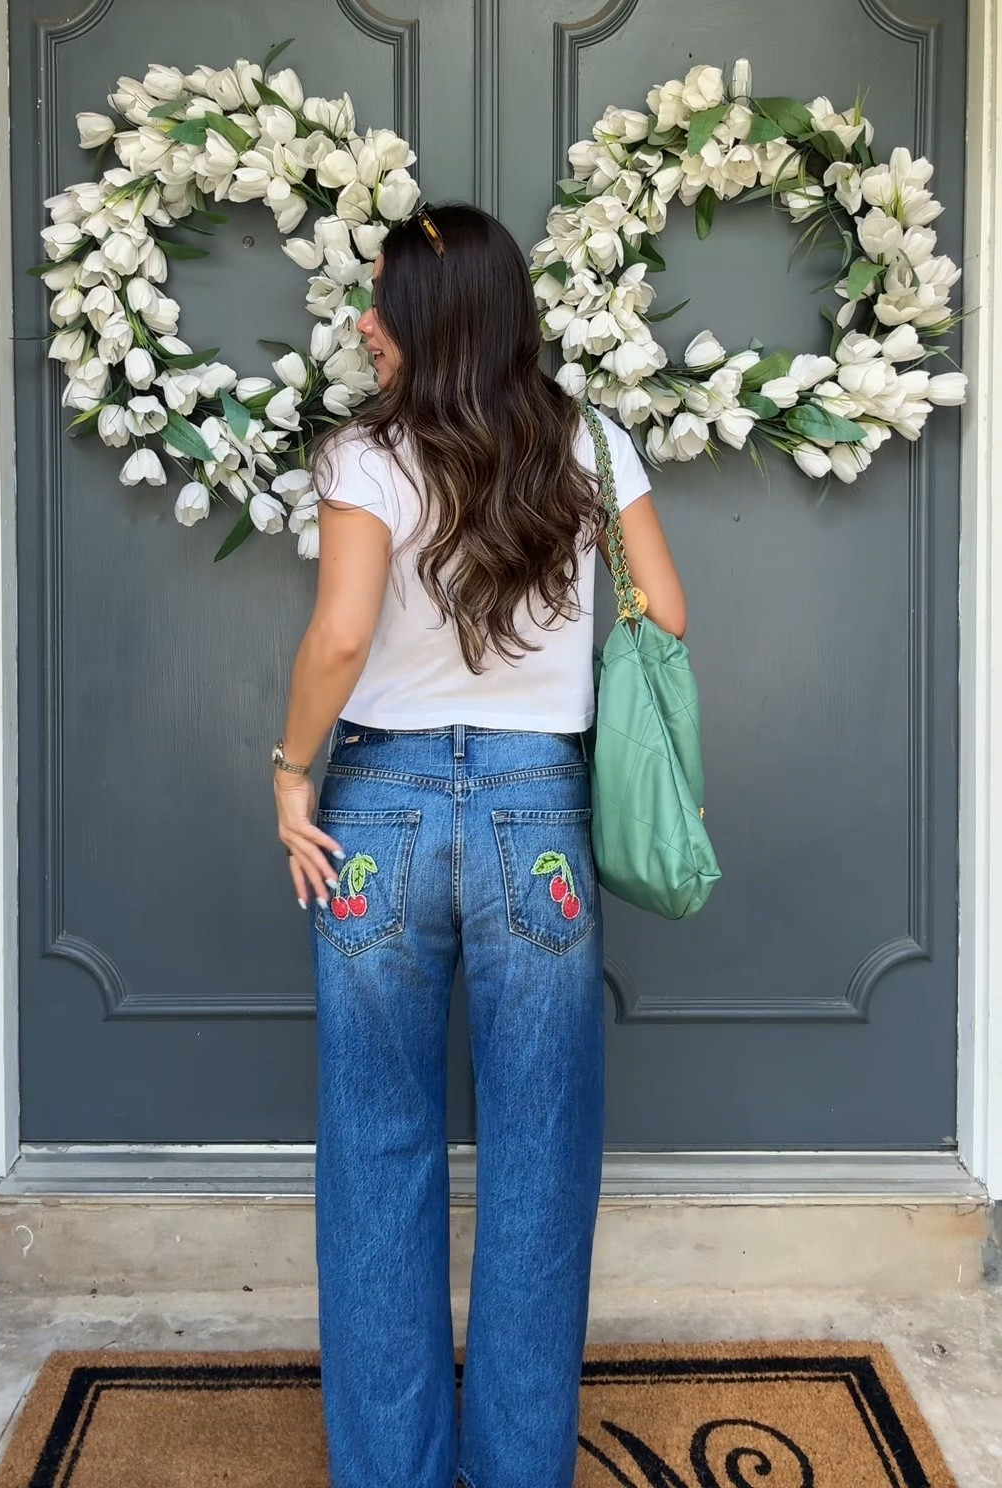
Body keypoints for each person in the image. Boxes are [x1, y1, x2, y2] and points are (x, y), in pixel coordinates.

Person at [271, 202, 687, 1488]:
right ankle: (517, 1471)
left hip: (380, 813)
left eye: (381, 300)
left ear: (428, 318)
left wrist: (291, 776)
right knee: (539, 1154)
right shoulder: (593, 443)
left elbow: (342, 638)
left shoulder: (364, 457)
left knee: (378, 1143)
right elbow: (663, 610)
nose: (364, 322)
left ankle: (392, 1470)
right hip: (537, 820)